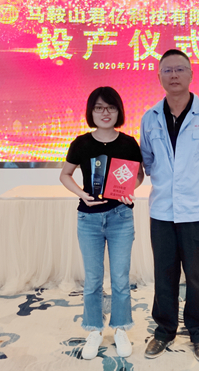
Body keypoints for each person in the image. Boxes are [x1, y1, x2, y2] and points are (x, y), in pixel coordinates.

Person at [140, 49, 199, 362]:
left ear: (191, 74)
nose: (174, 75)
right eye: (167, 70)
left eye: (180, 69)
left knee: (197, 276)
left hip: (198, 211)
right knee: (164, 275)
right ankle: (164, 330)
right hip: (162, 211)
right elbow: (147, 160)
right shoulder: (150, 117)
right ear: (159, 77)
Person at [60, 86, 144, 360]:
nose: (105, 113)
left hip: (121, 217)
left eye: (110, 107)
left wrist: (130, 189)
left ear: (119, 111)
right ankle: (94, 329)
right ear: (91, 112)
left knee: (120, 278)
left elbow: (139, 175)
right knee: (93, 280)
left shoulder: (129, 143)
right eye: (98, 107)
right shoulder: (81, 143)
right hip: (89, 219)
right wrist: (81, 194)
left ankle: (120, 328)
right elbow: (65, 175)